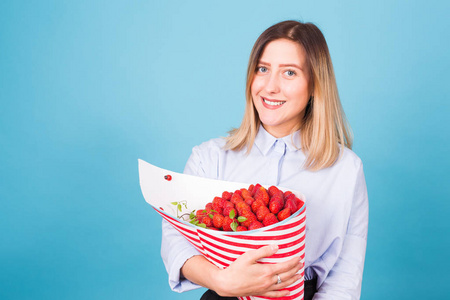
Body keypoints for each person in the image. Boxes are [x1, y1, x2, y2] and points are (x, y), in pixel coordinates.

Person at [161, 20, 369, 300]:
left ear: (315, 86)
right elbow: (177, 241)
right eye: (263, 69)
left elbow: (344, 276)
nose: (270, 87)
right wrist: (221, 281)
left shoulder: (346, 169)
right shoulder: (209, 158)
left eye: (290, 73)